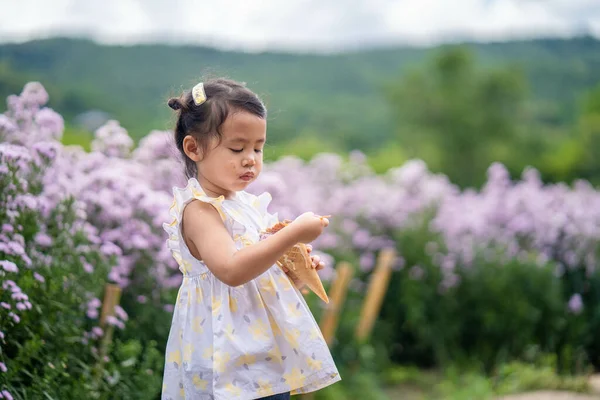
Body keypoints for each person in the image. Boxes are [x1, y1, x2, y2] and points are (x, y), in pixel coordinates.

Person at [161, 78, 341, 400]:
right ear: (194, 148)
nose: (251, 159)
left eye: (258, 148)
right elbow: (232, 271)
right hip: (225, 361)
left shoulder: (244, 206)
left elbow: (255, 279)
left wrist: (292, 270)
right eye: (237, 148)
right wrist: (292, 233)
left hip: (262, 355)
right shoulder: (200, 211)